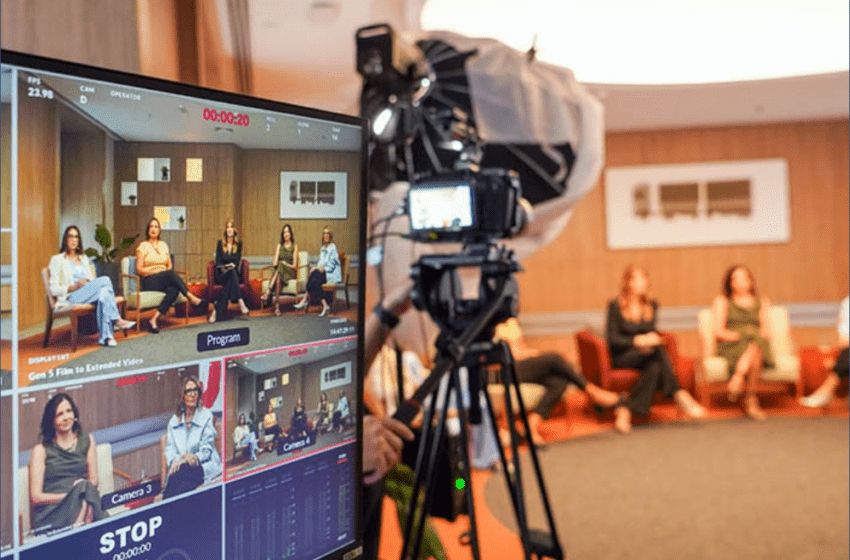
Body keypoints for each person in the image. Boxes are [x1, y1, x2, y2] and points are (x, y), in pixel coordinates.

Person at [606, 266, 707, 434]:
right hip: (622, 355)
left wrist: (648, 342)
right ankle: (679, 393)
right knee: (657, 353)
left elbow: (651, 332)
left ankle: (625, 410)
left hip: (647, 355)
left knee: (654, 366)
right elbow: (613, 340)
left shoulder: (652, 305)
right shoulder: (615, 305)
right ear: (627, 283)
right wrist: (636, 341)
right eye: (637, 279)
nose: (642, 282)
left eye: (644, 278)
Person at [495, 317, 620, 444]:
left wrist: (533, 354)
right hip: (507, 369)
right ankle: (592, 391)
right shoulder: (492, 327)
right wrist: (533, 355)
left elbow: (521, 346)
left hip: (526, 365)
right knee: (555, 359)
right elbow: (503, 356)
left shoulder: (512, 321)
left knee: (559, 381)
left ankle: (532, 425)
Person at [29, 393, 107, 536]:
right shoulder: (40, 450)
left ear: (75, 414)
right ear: (51, 420)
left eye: (69, 411)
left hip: (83, 497)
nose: (66, 417)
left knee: (85, 488)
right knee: (84, 490)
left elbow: (94, 480)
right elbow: (35, 497)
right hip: (53, 511)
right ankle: (87, 529)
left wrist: (79, 492)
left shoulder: (87, 440)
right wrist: (72, 495)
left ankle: (78, 529)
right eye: (59, 414)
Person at [48, 226, 136, 347]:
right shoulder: (57, 260)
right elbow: (53, 289)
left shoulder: (83, 258)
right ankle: (116, 319)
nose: (73, 239)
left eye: (76, 237)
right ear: (65, 239)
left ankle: (107, 338)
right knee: (106, 279)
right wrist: (74, 286)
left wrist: (87, 284)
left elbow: (92, 279)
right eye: (70, 236)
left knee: (104, 293)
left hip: (88, 292)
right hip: (72, 297)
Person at [712, 264, 774, 421]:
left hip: (756, 341)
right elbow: (718, 331)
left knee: (755, 345)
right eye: (735, 278)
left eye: (744, 277)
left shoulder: (762, 301)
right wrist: (743, 334)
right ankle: (751, 400)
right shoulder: (722, 301)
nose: (740, 281)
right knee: (754, 346)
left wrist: (751, 335)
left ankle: (738, 376)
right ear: (729, 282)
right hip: (732, 343)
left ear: (751, 281)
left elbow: (766, 331)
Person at [135, 217, 204, 333]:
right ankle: (191, 297)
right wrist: (156, 272)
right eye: (151, 226)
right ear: (148, 230)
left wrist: (163, 273)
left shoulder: (163, 245)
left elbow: (169, 266)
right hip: (149, 280)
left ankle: (153, 319)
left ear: (159, 230)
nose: (153, 229)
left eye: (156, 227)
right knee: (171, 274)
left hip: (163, 278)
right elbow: (139, 269)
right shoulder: (143, 246)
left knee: (174, 289)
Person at [163, 376, 222, 498]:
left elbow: (206, 451)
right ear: (182, 396)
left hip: (204, 466)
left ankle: (164, 509)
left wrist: (191, 458)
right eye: (188, 391)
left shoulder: (206, 415)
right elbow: (170, 451)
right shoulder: (174, 421)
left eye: (195, 390)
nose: (193, 394)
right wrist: (182, 458)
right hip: (182, 470)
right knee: (182, 483)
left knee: (181, 473)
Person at [800, 296, 849, 407]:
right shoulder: (847, 303)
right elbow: (844, 338)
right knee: (847, 354)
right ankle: (826, 391)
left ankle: (825, 391)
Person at [293, 226, 341, 317]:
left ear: (330, 236)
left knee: (314, 279)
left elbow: (332, 266)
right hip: (323, 272)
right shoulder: (322, 248)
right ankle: (324, 305)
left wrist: (321, 268)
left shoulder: (333, 248)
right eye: (324, 234)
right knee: (313, 276)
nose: (326, 235)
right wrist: (316, 268)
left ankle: (305, 299)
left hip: (331, 274)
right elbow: (320, 263)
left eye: (327, 234)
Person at [209, 218, 249, 323]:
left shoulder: (238, 244)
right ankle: (240, 300)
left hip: (232, 273)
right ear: (225, 230)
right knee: (232, 273)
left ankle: (216, 311)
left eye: (231, 227)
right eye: (228, 227)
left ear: (235, 229)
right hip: (222, 274)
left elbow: (237, 261)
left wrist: (232, 266)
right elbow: (217, 262)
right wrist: (225, 267)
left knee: (232, 274)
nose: (229, 229)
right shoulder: (220, 243)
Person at [262, 224, 299, 317]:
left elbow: (295, 266)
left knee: (281, 265)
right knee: (279, 275)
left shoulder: (294, 246)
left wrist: (285, 264)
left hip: (289, 271)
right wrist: (278, 261)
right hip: (280, 271)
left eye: (287, 232)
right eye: (284, 232)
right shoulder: (279, 246)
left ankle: (268, 292)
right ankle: (277, 307)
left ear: (291, 233)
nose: (286, 234)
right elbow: (275, 264)